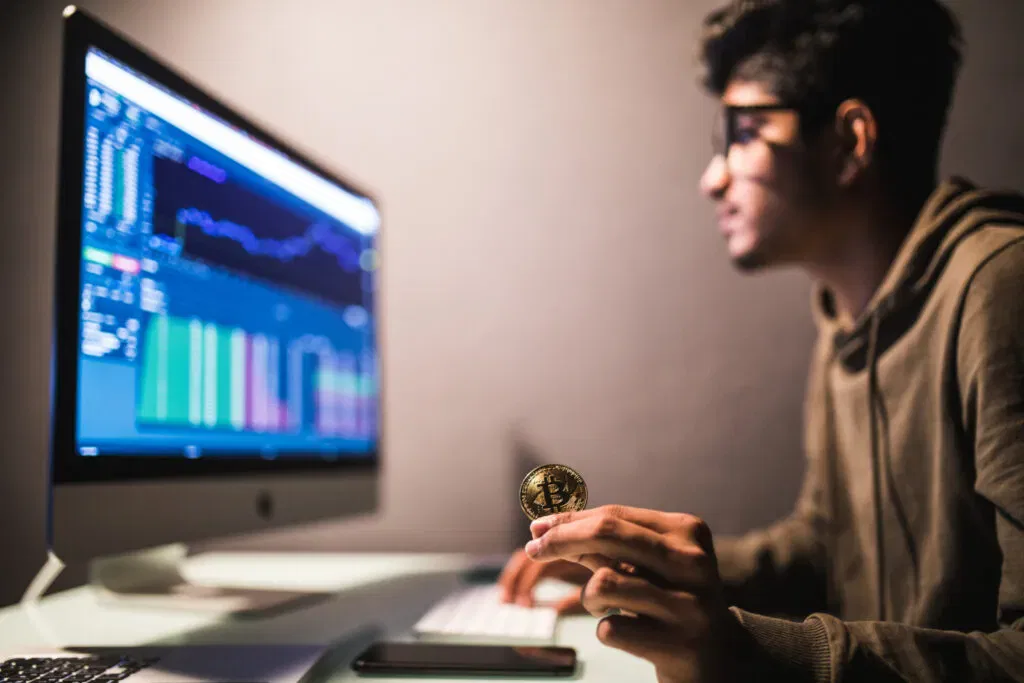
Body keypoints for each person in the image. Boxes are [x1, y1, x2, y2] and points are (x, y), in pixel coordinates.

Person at [498, 0, 1024, 681]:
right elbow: (829, 547)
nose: (712, 178)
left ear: (849, 141)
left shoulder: (1002, 291)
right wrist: (643, 573)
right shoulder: (844, 317)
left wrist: (744, 650)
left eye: (742, 135)